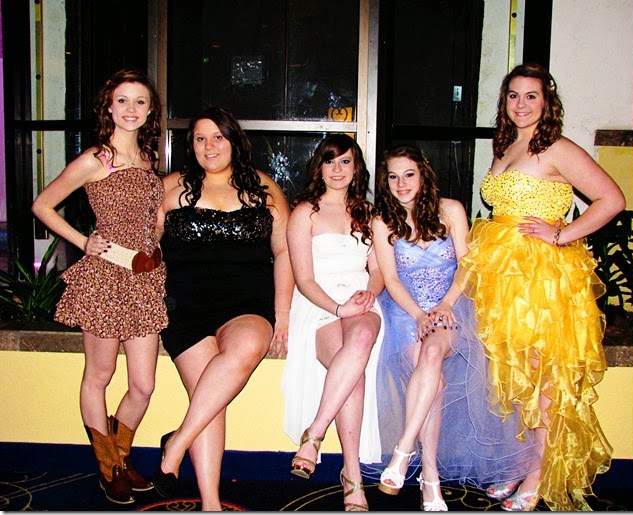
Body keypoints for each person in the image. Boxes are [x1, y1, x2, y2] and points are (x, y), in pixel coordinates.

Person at [454, 63, 625, 511]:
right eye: (513, 95)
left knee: (542, 373)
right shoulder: (507, 144)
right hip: (502, 273)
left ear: (547, 102)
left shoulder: (558, 148)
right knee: (513, 372)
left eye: (531, 95)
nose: (521, 104)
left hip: (541, 276)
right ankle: (521, 460)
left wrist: (562, 234)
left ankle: (539, 472)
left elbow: (612, 199)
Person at [369, 145, 540, 512]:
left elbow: (467, 265)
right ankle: (429, 477)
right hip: (406, 311)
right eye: (393, 177)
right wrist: (418, 315)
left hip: (452, 304)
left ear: (423, 173)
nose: (401, 184)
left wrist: (446, 304)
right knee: (435, 381)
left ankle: (403, 451)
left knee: (432, 352)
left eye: (409, 174)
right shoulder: (382, 220)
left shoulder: (451, 210)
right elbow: (392, 280)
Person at [31, 69, 166, 504]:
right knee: (100, 375)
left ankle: (120, 457)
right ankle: (110, 467)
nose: (131, 109)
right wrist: (83, 241)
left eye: (140, 101)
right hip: (106, 278)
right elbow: (42, 205)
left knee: (143, 385)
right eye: (122, 100)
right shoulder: (96, 159)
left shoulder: (148, 158)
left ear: (150, 109)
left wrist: (156, 237)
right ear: (109, 106)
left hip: (143, 279)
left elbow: (152, 217)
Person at [154, 107, 293, 511]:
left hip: (247, 304)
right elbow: (142, 245)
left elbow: (285, 251)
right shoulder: (169, 187)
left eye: (218, 137)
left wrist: (283, 314)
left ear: (234, 141)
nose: (209, 146)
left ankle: (176, 443)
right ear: (191, 145)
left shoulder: (262, 187)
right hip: (185, 306)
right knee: (209, 399)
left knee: (245, 348)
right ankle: (211, 503)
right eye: (200, 138)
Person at [281, 133, 384, 512]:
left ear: (356, 168)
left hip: (361, 298)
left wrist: (368, 294)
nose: (337, 169)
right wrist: (339, 309)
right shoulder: (304, 213)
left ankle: (315, 432)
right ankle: (352, 475)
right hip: (319, 302)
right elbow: (304, 279)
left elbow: (379, 271)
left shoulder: (369, 214)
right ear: (319, 167)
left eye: (345, 161)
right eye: (330, 161)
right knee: (351, 367)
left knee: (361, 339)